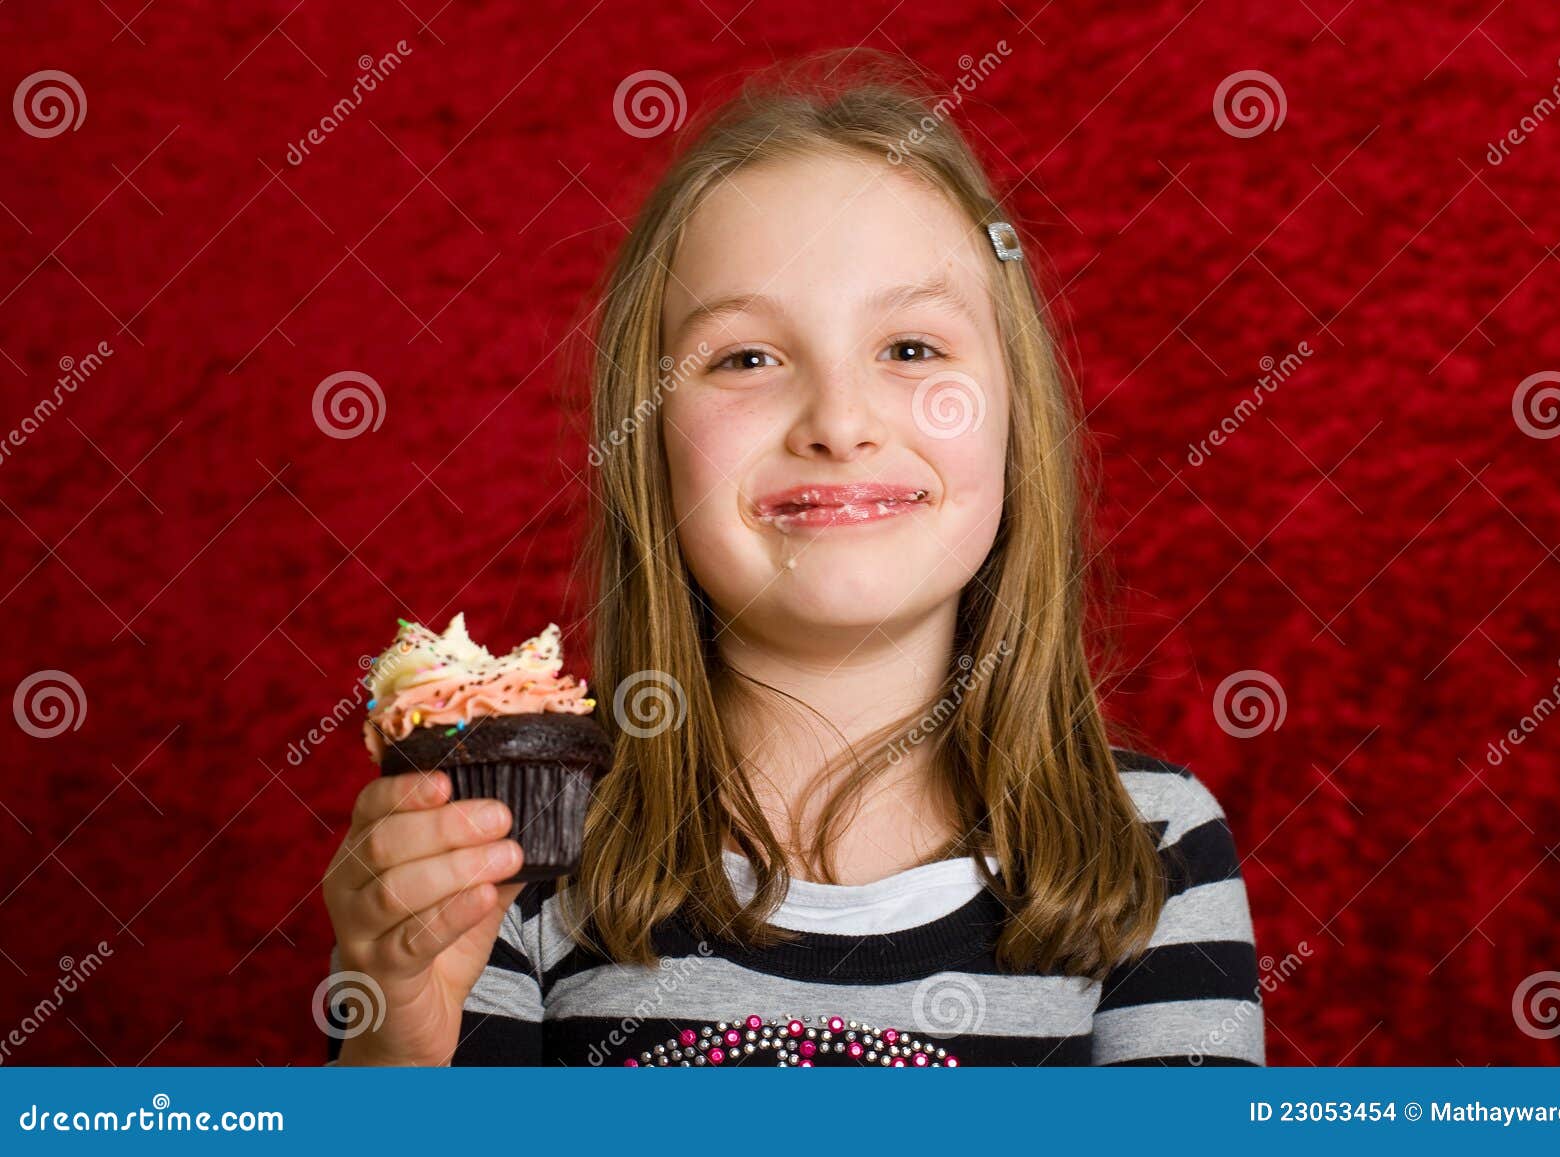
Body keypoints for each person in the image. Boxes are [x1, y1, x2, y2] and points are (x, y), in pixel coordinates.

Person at [321, 49, 1264, 1067]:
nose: (839, 421)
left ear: (1014, 416)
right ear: (648, 437)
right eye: (746, 358)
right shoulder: (513, 846)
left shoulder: (1152, 847)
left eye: (910, 349)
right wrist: (397, 1036)